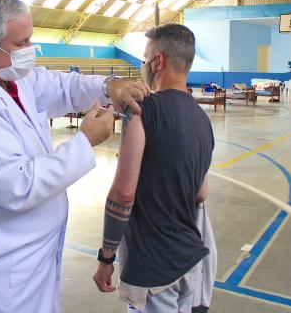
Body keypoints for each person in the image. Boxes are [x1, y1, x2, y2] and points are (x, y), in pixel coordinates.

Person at [0, 0, 150, 313]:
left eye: (30, 40)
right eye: (20, 43)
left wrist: (108, 87)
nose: (30, 51)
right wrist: (83, 142)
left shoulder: (8, 75)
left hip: (20, 253)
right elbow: (17, 185)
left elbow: (61, 86)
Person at [92, 24, 215, 312]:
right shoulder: (201, 119)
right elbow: (201, 192)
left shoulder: (142, 110)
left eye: (144, 57)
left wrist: (106, 256)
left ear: (158, 61)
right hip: (189, 260)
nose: (142, 64)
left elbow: (123, 194)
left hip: (153, 267)